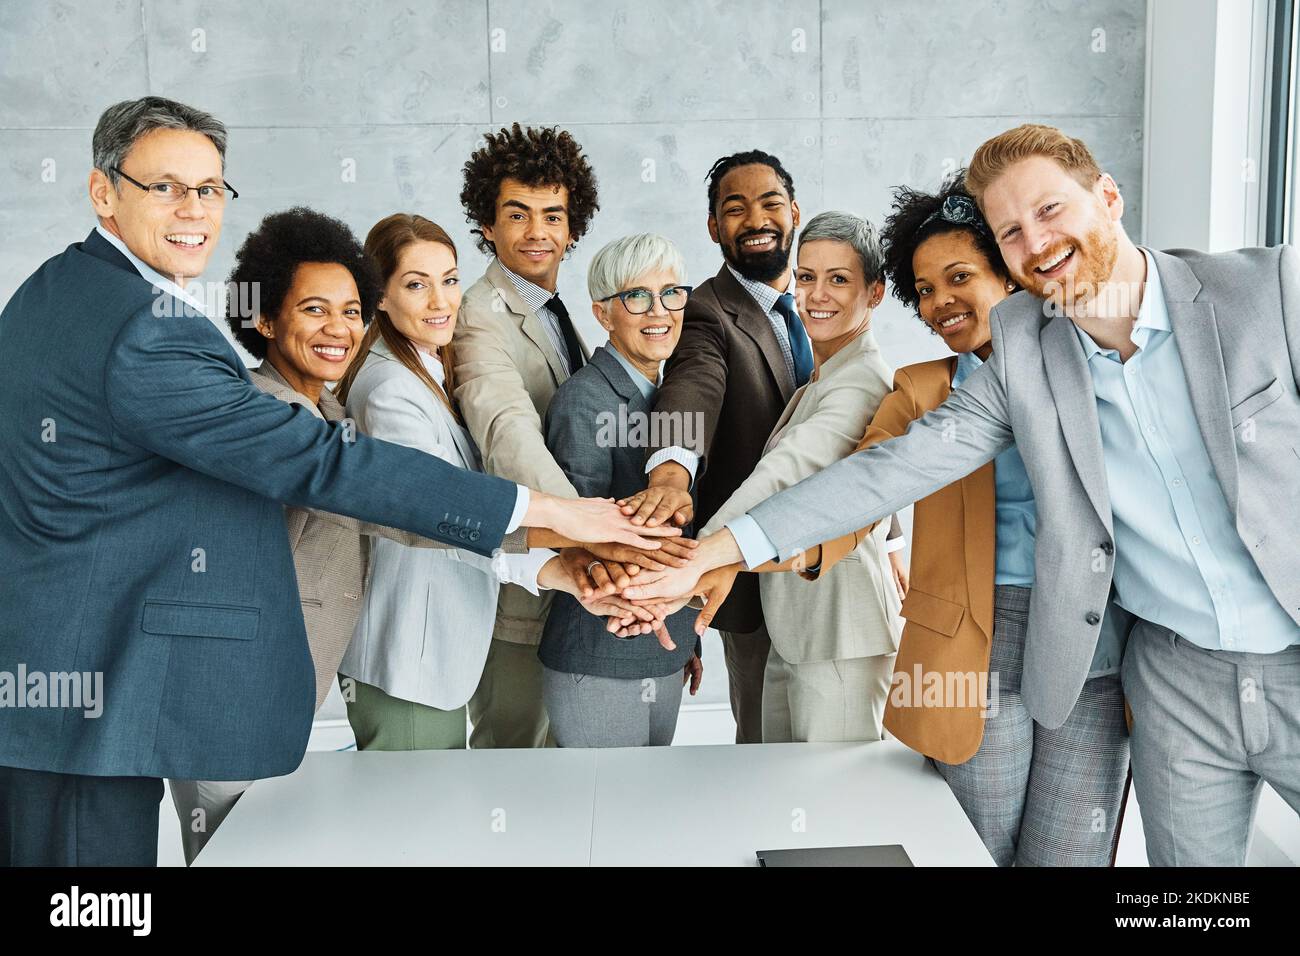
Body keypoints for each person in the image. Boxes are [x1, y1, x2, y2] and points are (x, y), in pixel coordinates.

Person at [0, 97, 671, 867]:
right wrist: (556, 514)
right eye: (166, 188)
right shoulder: (148, 333)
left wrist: (551, 557)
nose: (195, 211)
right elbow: (329, 469)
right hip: (99, 694)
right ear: (103, 192)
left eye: (211, 189)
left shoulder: (57, 290)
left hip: (68, 677)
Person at [626, 123, 1300, 868]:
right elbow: (880, 476)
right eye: (1012, 230)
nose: (1036, 243)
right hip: (1140, 669)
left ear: (1108, 196)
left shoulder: (1272, 290)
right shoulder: (1015, 359)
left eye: (1049, 212)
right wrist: (716, 550)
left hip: (1166, 644)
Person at [167, 208, 600, 863]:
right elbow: (411, 509)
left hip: (276, 694)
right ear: (264, 320)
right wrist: (559, 540)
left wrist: (548, 562)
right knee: (250, 850)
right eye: (314, 310)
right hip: (233, 697)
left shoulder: (330, 406)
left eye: (349, 308)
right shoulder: (276, 415)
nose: (339, 327)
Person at [811, 177, 1126, 865]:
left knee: (1070, 852)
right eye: (923, 290)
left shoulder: (1095, 366)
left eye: (959, 277)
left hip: (1090, 632)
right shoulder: (924, 390)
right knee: (973, 847)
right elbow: (856, 490)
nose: (939, 303)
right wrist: (743, 558)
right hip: (972, 646)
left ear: (1010, 276)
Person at [334, 214, 640, 750]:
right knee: (416, 823)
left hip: (435, 651)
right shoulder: (389, 393)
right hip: (408, 654)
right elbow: (450, 522)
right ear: (378, 296)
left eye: (450, 280)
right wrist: (569, 543)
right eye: (415, 284)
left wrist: (564, 572)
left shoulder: (427, 368)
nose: (440, 300)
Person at [453, 123, 685, 749]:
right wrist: (592, 537)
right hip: (529, 592)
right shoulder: (479, 314)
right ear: (487, 224)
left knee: (570, 785)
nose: (537, 232)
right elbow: (510, 434)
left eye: (552, 215)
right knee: (514, 766)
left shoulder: (554, 310)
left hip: (582, 593)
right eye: (517, 214)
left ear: (572, 226)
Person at [697, 211, 902, 744]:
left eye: (839, 279)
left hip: (840, 634)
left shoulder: (860, 382)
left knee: (835, 807)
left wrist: (701, 553)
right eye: (807, 276)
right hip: (798, 627)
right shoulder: (825, 374)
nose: (817, 294)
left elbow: (786, 472)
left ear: (875, 293)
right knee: (787, 797)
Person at [539, 234, 704, 747]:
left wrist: (685, 634)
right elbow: (569, 537)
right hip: (601, 650)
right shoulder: (584, 402)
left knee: (652, 814)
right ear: (604, 314)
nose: (660, 311)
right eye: (637, 297)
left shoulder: (678, 390)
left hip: (665, 644)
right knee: (607, 816)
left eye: (671, 293)